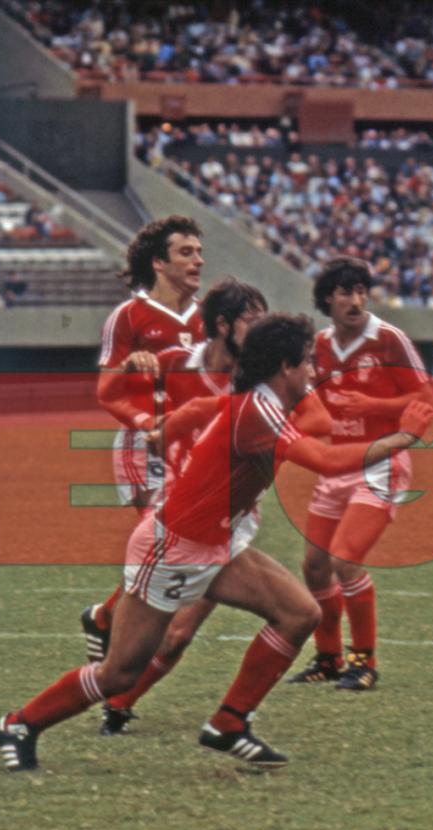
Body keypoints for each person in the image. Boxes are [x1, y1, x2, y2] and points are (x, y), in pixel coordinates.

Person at [0, 314, 433, 771]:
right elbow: (325, 460)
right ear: (285, 367)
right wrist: (403, 437)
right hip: (172, 550)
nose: (314, 372)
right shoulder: (260, 411)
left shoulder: (261, 404)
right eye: (307, 362)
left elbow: (260, 420)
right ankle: (21, 722)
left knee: (300, 614)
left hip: (214, 545)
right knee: (119, 672)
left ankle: (229, 723)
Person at [95, 279, 333, 735]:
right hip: (186, 510)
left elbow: (315, 424)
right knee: (170, 625)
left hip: (232, 519)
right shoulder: (175, 365)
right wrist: (133, 374)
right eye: (251, 316)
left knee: (178, 631)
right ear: (222, 325)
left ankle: (119, 679)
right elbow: (118, 395)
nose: (260, 324)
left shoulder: (264, 377)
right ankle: (122, 691)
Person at [289, 258, 433, 690]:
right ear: (327, 299)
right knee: (314, 566)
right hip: (337, 462)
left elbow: (425, 396)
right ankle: (329, 658)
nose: (355, 300)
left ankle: (364, 662)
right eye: (344, 292)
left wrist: (374, 407)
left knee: (345, 559)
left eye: (360, 291)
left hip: (382, 463)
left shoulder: (389, 340)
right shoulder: (318, 345)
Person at [82, 216, 207, 662]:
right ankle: (121, 660)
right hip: (145, 446)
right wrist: (146, 422)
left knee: (174, 548)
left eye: (198, 251)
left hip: (194, 450)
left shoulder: (209, 316)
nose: (198, 260)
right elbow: (107, 392)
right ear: (159, 262)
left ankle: (106, 618)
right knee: (165, 541)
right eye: (186, 252)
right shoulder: (128, 316)